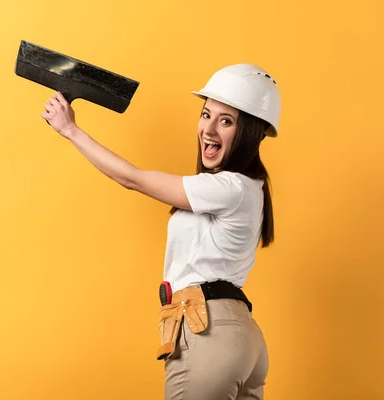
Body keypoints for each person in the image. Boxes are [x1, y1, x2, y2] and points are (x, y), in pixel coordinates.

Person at [40, 64, 281, 400]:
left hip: (207, 330)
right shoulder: (247, 188)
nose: (208, 129)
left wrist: (71, 131)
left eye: (226, 121)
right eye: (206, 114)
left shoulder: (230, 188)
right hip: (242, 337)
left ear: (251, 132)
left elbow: (132, 179)